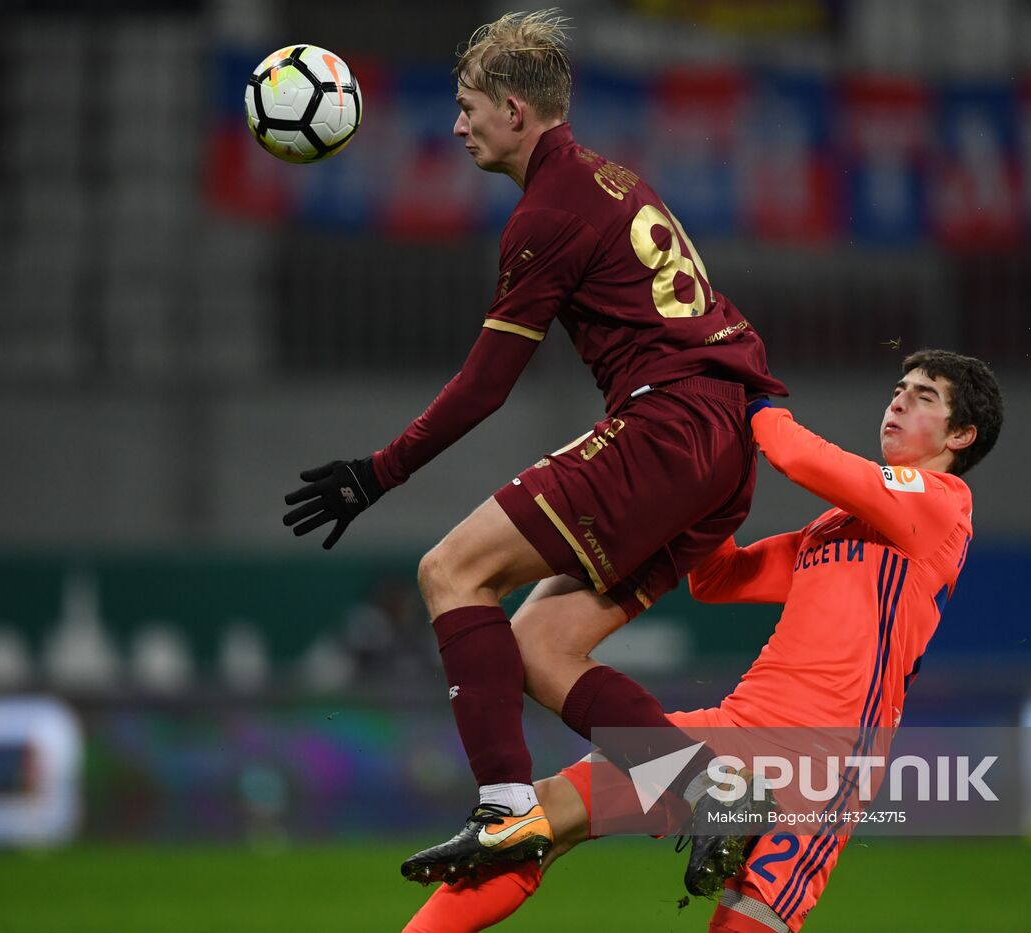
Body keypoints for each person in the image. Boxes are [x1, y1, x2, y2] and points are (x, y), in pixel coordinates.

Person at [283, 9, 787, 880]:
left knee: (450, 571)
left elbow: (486, 384)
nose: (456, 123)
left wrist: (377, 475)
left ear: (515, 111)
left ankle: (505, 810)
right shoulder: (608, 178)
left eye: (468, 104)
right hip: (721, 446)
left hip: (667, 426)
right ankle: (712, 791)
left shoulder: (545, 214)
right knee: (538, 647)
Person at [402, 349, 1005, 932]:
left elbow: (801, 459)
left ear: (961, 437)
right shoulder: (838, 526)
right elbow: (718, 579)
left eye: (923, 398)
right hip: (733, 733)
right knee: (539, 821)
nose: (897, 405)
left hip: (824, 766)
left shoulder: (945, 507)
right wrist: (704, 487)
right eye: (898, 392)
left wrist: (745, 399)